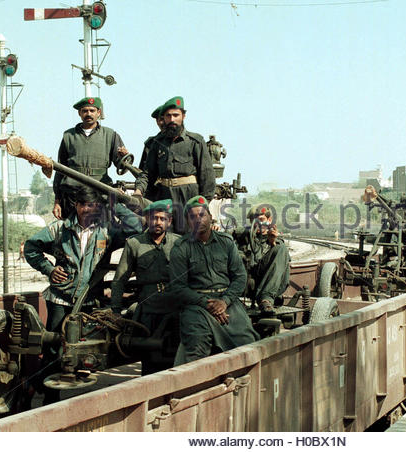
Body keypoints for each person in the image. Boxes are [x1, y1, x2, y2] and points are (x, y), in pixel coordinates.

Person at [24, 185, 142, 403]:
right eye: (84, 205)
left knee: (83, 349)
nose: (89, 210)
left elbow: (136, 228)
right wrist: (49, 269)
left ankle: (42, 388)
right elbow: (31, 248)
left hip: (89, 301)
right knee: (54, 350)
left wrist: (115, 206)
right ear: (76, 206)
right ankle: (48, 398)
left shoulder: (106, 231)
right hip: (61, 299)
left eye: (94, 205)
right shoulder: (59, 229)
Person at [168, 195, 259, 365]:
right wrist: (207, 304)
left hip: (228, 303)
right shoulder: (181, 248)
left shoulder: (226, 243)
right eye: (192, 216)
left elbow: (240, 277)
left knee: (248, 343)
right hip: (197, 306)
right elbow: (178, 287)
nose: (198, 220)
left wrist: (224, 302)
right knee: (196, 346)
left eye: (202, 215)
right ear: (188, 221)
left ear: (210, 217)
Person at [110, 199, 181, 375]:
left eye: (162, 218)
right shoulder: (134, 244)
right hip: (149, 310)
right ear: (146, 219)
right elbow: (120, 279)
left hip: (175, 308)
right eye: (153, 218)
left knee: (177, 359)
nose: (157, 222)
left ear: (169, 221)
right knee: (150, 361)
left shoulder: (179, 243)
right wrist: (116, 310)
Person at [134, 96, 215, 232]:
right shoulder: (157, 143)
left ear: (183, 116)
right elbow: (147, 173)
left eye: (176, 115)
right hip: (164, 198)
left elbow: (207, 176)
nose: (172, 120)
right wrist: (138, 191)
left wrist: (202, 204)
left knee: (190, 240)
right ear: (164, 118)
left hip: (189, 198)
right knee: (163, 237)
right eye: (168, 116)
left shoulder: (195, 141)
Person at [52, 97, 129, 220]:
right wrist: (57, 201)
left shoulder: (110, 135)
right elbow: (60, 169)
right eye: (85, 111)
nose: (88, 114)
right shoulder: (68, 136)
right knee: (72, 231)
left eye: (92, 111)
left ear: (99, 112)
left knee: (102, 233)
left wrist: (123, 159)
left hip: (100, 192)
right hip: (73, 194)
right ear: (79, 113)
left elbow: (122, 167)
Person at [231, 205, 290, 314]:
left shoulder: (276, 240)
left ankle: (266, 299)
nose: (259, 223)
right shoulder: (243, 234)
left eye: (262, 220)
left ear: (269, 220)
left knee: (280, 248)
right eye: (255, 220)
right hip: (246, 280)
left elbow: (280, 264)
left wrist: (273, 243)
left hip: (266, 281)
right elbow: (225, 237)